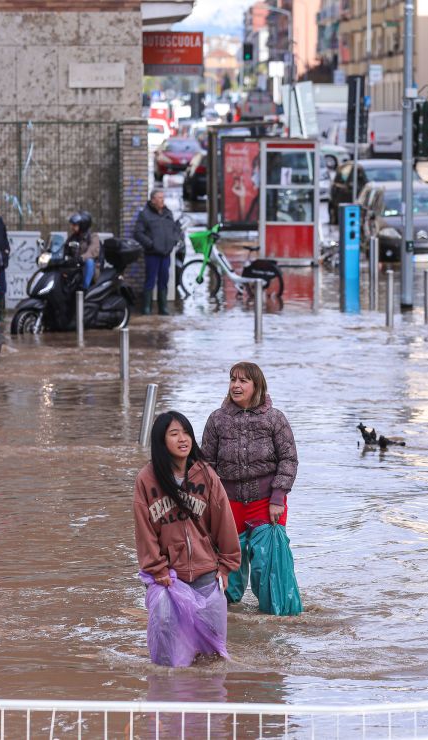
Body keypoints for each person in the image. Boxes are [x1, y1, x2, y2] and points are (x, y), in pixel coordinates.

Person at [133, 411, 241, 662]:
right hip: (168, 581)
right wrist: (157, 568)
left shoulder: (205, 474)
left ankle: (208, 699)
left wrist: (226, 566)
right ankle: (170, 699)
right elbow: (144, 529)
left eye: (186, 433)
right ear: (161, 442)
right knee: (168, 658)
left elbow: (224, 521)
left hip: (206, 575)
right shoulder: (146, 480)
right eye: (174, 434)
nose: (183, 439)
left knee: (212, 657)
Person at [200, 362, 298, 601]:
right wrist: (208, 505)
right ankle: (231, 626)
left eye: (243, 381)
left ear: (257, 385)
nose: (236, 385)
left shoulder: (274, 419)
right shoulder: (217, 420)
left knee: (269, 571)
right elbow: (206, 466)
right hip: (227, 505)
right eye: (233, 379)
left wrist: (278, 498)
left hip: (266, 504)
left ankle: (274, 625)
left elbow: (289, 460)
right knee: (225, 575)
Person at [132, 189, 182, 316]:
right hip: (152, 254)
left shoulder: (168, 213)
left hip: (166, 254)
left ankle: (163, 308)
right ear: (153, 200)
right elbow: (138, 233)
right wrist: (150, 244)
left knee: (164, 280)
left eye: (163, 197)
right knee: (150, 280)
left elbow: (175, 229)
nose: (162, 200)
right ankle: (147, 308)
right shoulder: (145, 214)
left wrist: (174, 240)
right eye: (159, 198)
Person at [69, 211, 101, 289]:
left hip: (89, 269)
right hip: (76, 267)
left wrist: (82, 258)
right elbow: (65, 247)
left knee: (89, 261)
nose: (72, 227)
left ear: (83, 225)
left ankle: (84, 288)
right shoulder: (73, 237)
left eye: (75, 225)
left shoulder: (93, 237)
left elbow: (92, 252)